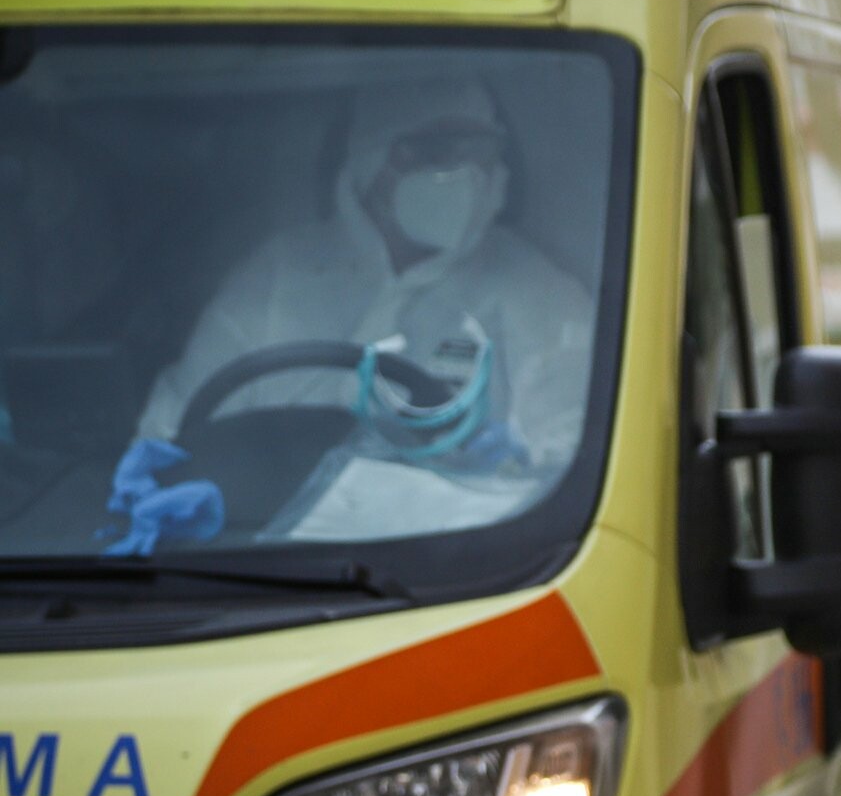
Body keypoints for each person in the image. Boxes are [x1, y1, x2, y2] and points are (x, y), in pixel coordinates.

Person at [117, 78, 594, 551]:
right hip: (266, 564)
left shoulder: (538, 294)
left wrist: (494, 482)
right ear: (370, 158)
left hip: (451, 571)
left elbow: (571, 474)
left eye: (480, 150)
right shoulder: (279, 274)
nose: (464, 173)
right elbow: (172, 433)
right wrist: (162, 497)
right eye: (431, 150)